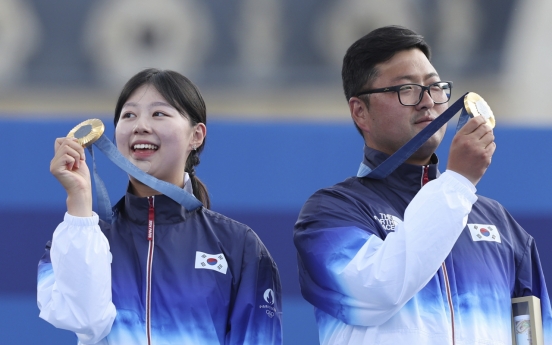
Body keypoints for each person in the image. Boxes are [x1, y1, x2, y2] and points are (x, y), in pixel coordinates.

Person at [294, 26, 552, 344]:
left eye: (435, 87)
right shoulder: (332, 213)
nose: (427, 101)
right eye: (407, 90)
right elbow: (375, 294)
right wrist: (458, 182)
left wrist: (457, 188)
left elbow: (533, 335)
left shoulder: (498, 223)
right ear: (360, 111)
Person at [37, 68, 283, 345]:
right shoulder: (81, 238)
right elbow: (85, 322)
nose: (140, 126)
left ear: (196, 135)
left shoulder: (240, 246)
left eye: (159, 114)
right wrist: (80, 200)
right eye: (129, 115)